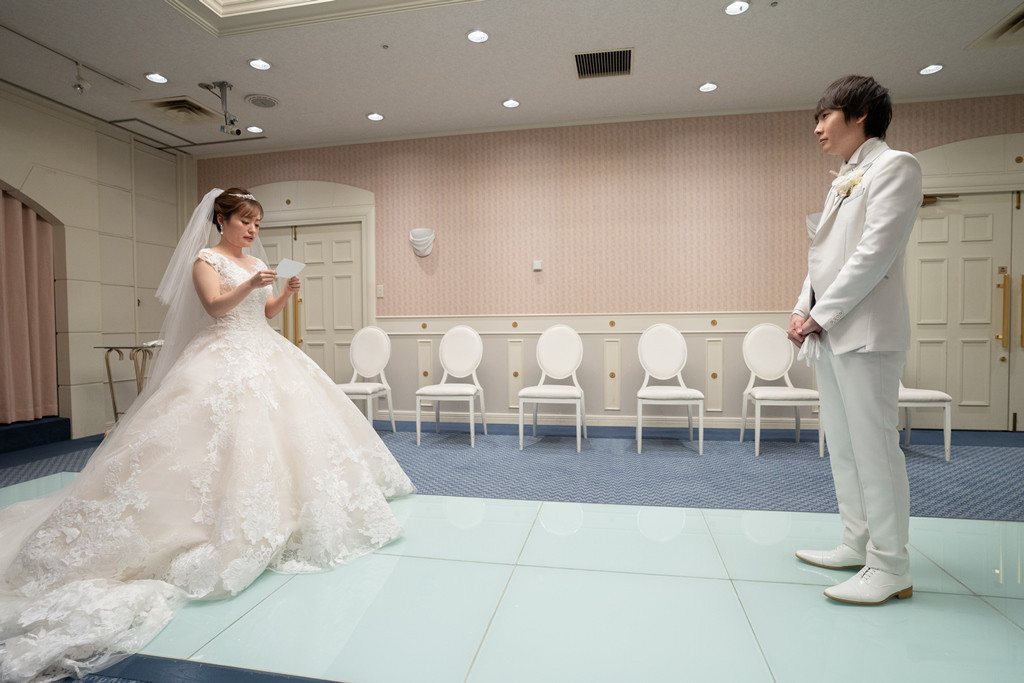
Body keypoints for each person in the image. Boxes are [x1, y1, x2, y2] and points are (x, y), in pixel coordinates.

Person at [0, 188, 415, 682]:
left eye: (257, 223)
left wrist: (283, 292)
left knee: (286, 438)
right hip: (221, 356)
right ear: (222, 220)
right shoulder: (206, 260)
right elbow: (217, 309)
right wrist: (250, 284)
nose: (252, 230)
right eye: (245, 221)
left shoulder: (256, 261)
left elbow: (264, 314)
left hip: (265, 350)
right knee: (203, 439)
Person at [788, 76, 922, 605]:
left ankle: (890, 566)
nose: (818, 128)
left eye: (825, 116)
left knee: (875, 450)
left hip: (867, 334)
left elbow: (874, 254)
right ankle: (855, 541)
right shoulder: (844, 177)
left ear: (860, 114)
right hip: (832, 331)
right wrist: (803, 309)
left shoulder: (895, 167)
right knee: (843, 447)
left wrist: (822, 315)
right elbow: (823, 256)